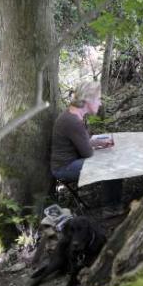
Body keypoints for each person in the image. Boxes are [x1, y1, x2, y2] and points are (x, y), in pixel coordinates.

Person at [51, 81, 123, 214]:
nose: (100, 103)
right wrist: (95, 147)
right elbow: (87, 154)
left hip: (69, 161)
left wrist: (96, 143)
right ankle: (111, 208)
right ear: (88, 100)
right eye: (98, 99)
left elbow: (81, 143)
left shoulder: (72, 115)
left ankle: (112, 204)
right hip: (64, 168)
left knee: (110, 158)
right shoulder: (72, 121)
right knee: (112, 164)